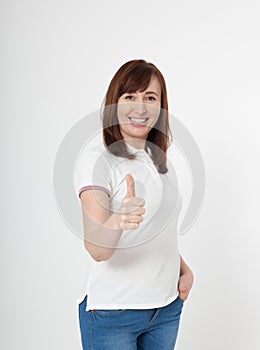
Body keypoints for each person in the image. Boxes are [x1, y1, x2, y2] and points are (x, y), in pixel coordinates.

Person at [74, 59, 194, 350]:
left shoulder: (159, 160)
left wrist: (183, 269)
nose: (141, 108)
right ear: (115, 103)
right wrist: (115, 221)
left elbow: (156, 231)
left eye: (150, 98)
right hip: (115, 314)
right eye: (130, 97)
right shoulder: (97, 159)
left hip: (165, 309)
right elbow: (97, 249)